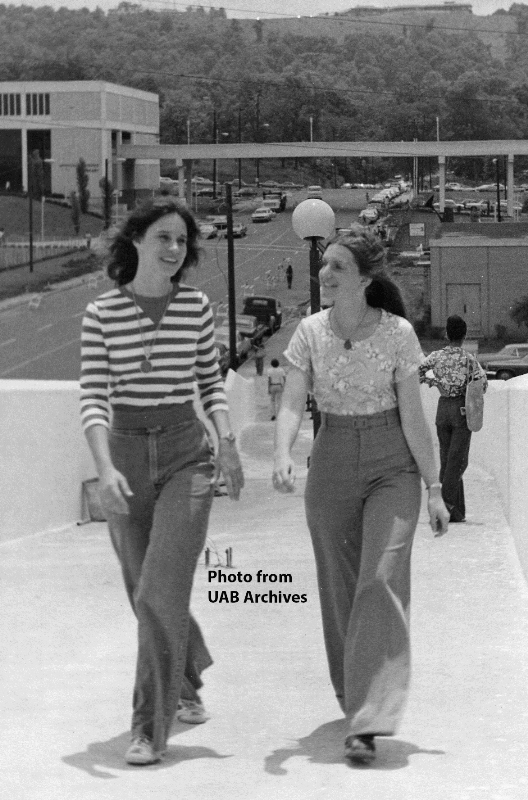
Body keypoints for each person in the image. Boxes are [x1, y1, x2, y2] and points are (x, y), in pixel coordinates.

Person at [272, 226, 449, 766]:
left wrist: (435, 487)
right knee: (340, 586)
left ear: (365, 278)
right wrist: (281, 453)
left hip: (391, 463)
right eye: (324, 265)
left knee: (380, 577)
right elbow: (292, 402)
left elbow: (416, 418)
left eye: (338, 267)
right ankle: (355, 699)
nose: (325, 274)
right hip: (331, 460)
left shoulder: (397, 333)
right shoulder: (308, 332)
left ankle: (371, 718)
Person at [80, 196, 244, 766]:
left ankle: (148, 726)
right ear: (138, 242)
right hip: (122, 454)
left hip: (185, 457)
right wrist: (104, 470)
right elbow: (94, 398)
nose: (175, 250)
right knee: (143, 590)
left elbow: (211, 383)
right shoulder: (102, 314)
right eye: (164, 238)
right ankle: (188, 673)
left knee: (157, 590)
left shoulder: (195, 307)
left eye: (182, 241)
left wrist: (226, 440)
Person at [419, 315, 487, 523]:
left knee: (448, 460)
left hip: (442, 409)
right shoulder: (468, 359)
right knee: (459, 461)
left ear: (446, 334)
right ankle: (444, 504)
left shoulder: (435, 356)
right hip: (460, 409)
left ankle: (457, 513)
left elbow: (415, 372)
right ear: (465, 335)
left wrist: (434, 381)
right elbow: (482, 384)